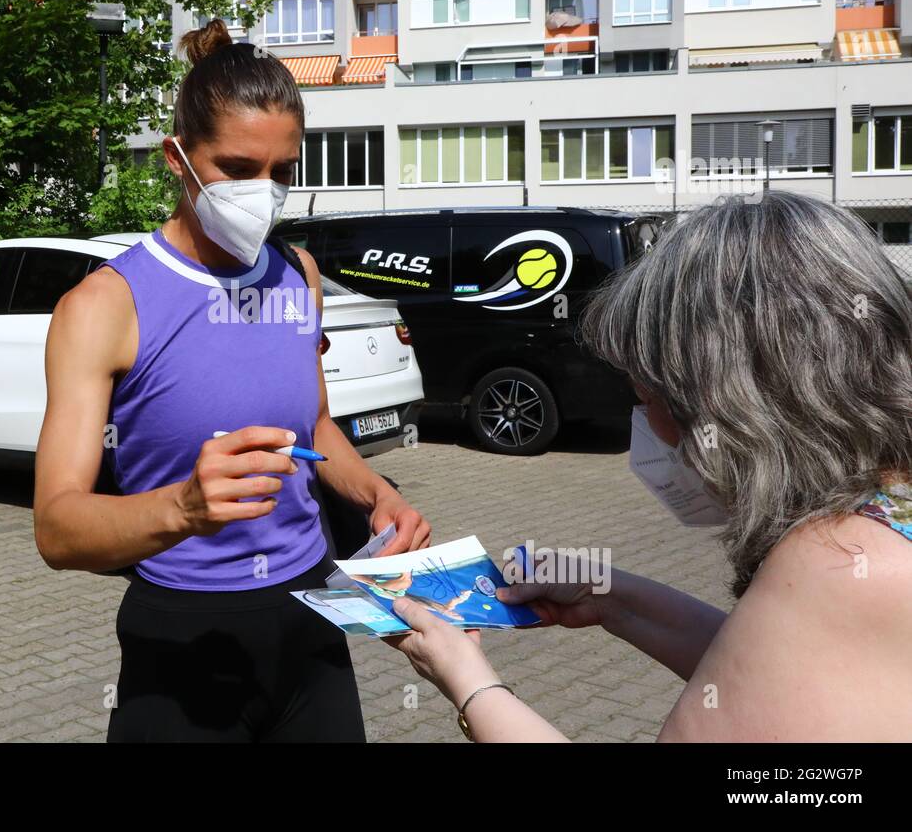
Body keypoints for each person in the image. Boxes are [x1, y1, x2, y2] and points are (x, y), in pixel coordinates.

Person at [385, 191, 912, 741]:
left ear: (733, 404)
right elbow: (768, 673)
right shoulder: (878, 526)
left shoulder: (836, 563)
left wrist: (469, 683)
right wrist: (611, 599)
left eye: (650, 399)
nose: (646, 426)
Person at [32, 19, 431, 742]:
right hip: (182, 638)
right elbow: (58, 528)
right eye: (238, 168)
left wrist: (380, 496)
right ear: (176, 159)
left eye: (284, 173)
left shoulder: (298, 275)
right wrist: (183, 507)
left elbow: (313, 430)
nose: (264, 193)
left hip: (311, 620)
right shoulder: (103, 307)